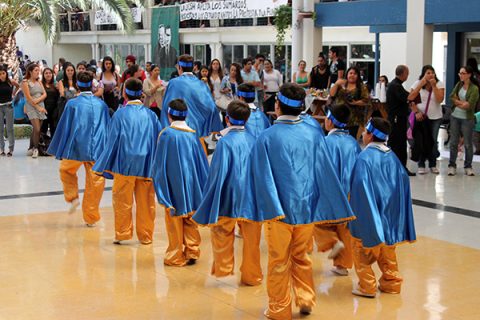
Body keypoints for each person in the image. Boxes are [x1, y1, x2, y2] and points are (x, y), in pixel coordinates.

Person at [243, 83, 355, 319]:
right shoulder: (313, 133)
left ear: (277, 105)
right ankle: (305, 298)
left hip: (279, 212)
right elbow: (323, 171)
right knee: (302, 257)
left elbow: (259, 177)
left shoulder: (267, 137)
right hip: (306, 209)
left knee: (278, 261)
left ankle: (279, 308)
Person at [193, 100, 262, 285]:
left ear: (226, 118)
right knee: (252, 239)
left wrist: (211, 194)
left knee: (222, 230)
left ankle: (223, 267)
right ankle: (252, 275)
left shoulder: (224, 142)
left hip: (230, 192)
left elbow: (218, 170)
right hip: (252, 195)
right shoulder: (255, 140)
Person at [349, 117, 416, 298]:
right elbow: (402, 184)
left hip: (371, 216)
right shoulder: (392, 157)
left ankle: (367, 285)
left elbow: (360, 190)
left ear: (370, 136)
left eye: (365, 131)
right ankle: (392, 283)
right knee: (388, 252)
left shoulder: (364, 158)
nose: (363, 134)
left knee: (362, 252)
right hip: (390, 216)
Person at [93, 78, 161, 245]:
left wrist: (105, 162)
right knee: (146, 201)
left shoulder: (120, 114)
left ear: (124, 93)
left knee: (122, 199)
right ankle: (146, 235)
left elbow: (112, 139)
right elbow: (159, 138)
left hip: (124, 163)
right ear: (142, 95)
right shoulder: (151, 115)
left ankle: (122, 233)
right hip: (146, 163)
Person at [47, 72, 110, 225]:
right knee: (96, 181)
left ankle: (72, 196)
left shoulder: (72, 103)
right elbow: (107, 127)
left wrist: (60, 146)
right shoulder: (101, 104)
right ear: (92, 85)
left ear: (77, 85)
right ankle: (91, 216)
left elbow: (64, 126)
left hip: (75, 147)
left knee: (65, 170)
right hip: (97, 148)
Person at [153, 99, 208, 266]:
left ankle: (175, 255)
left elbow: (160, 162)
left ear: (169, 115)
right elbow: (202, 162)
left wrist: (160, 185)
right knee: (191, 217)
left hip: (174, 183)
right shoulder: (193, 135)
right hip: (192, 184)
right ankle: (192, 251)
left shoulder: (166, 134)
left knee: (175, 220)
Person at [313, 104, 361, 277]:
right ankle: (342, 265)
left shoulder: (325, 142)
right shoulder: (353, 142)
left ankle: (331, 243)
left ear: (330, 121)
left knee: (317, 222)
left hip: (330, 190)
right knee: (345, 227)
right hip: (349, 192)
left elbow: (319, 167)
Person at [161, 55, 223, 139]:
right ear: (193, 68)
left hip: (178, 131)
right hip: (198, 132)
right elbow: (211, 109)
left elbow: (166, 108)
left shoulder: (173, 83)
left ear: (180, 67)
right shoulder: (201, 85)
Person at [408, 65, 445, 174]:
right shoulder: (417, 83)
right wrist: (416, 112)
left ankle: (433, 164)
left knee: (432, 141)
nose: (430, 75)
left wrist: (434, 86)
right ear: (423, 74)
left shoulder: (439, 84)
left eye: (432, 72)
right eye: (428, 73)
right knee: (421, 140)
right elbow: (410, 99)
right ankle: (421, 163)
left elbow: (439, 100)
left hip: (435, 117)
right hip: (421, 117)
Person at [448, 66, 479, 176]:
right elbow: (451, 97)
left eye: (463, 73)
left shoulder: (474, 88)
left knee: (467, 143)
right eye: (459, 73)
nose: (460, 75)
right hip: (455, 116)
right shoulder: (459, 85)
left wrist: (458, 102)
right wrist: (461, 103)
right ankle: (452, 165)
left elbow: (469, 106)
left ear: (469, 75)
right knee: (453, 142)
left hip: (467, 119)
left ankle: (468, 166)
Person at [386, 65, 415, 176]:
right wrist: (420, 84)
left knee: (398, 143)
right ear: (403, 74)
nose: (407, 76)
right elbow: (408, 97)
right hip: (396, 119)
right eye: (407, 74)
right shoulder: (395, 86)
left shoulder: (396, 85)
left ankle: (398, 167)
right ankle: (399, 168)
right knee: (398, 144)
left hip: (398, 118)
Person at [329, 66, 370, 139]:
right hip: (338, 116)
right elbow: (332, 94)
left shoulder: (361, 87)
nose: (352, 75)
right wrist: (336, 84)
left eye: (355, 74)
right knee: (336, 138)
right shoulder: (341, 84)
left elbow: (366, 101)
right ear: (347, 74)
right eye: (350, 73)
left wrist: (355, 103)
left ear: (358, 76)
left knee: (350, 139)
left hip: (353, 119)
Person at [22, 63, 47, 158]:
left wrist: (38, 100)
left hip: (41, 105)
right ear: (30, 72)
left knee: (36, 130)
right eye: (36, 70)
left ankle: (30, 147)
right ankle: (35, 149)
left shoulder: (39, 82)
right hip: (32, 107)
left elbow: (44, 94)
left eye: (38, 70)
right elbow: (28, 98)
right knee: (37, 129)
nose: (38, 72)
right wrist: (38, 107)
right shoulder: (25, 82)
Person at [0, 65, 19, 157]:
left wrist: (13, 94)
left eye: (3, 73)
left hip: (8, 106)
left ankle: (11, 149)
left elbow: (18, 86)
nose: (2, 75)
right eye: (0, 74)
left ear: (6, 73)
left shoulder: (10, 81)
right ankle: (1, 148)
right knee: (0, 129)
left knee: (9, 129)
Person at [40, 68, 59, 139]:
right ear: (43, 75)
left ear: (52, 74)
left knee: (53, 128)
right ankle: (43, 146)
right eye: (46, 73)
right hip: (43, 109)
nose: (48, 74)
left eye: (50, 73)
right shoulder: (40, 84)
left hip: (54, 110)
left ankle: (53, 146)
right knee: (43, 129)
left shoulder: (55, 85)